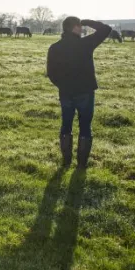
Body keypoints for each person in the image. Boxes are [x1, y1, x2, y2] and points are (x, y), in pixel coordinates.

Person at [47, 17, 112, 166]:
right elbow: (106, 29)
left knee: (66, 124)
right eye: (80, 26)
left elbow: (51, 73)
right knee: (85, 126)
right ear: (75, 27)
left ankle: (66, 161)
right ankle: (82, 164)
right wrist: (88, 21)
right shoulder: (85, 44)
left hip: (65, 92)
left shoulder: (55, 48)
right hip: (85, 92)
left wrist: (62, 85)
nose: (82, 29)